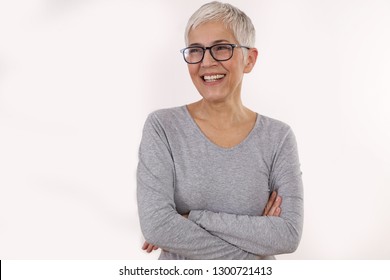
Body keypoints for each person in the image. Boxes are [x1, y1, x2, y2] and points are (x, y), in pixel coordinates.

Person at [137, 1, 303, 260]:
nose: (207, 62)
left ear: (249, 59)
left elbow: (288, 234)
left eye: (221, 48)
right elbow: (157, 226)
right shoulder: (163, 128)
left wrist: (192, 218)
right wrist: (253, 247)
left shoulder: (278, 138)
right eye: (196, 51)